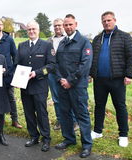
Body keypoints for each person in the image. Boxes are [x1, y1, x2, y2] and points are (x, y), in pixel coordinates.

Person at [90, 11, 132, 147]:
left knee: (120, 107)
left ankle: (123, 134)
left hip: (117, 80)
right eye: (104, 21)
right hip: (99, 79)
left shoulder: (124, 37)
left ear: (114, 20)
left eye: (109, 20)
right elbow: (92, 58)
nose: (106, 23)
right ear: (101, 22)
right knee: (99, 106)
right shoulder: (97, 38)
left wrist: (129, 75)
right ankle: (98, 131)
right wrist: (90, 73)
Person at [54, 14, 92, 158]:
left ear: (76, 24)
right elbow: (56, 63)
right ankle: (69, 139)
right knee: (64, 114)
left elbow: (85, 65)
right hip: (62, 86)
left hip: (77, 87)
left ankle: (87, 145)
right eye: (66, 25)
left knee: (81, 115)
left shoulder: (84, 42)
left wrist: (70, 80)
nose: (68, 27)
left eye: (70, 24)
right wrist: (60, 79)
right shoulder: (63, 42)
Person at [16, 20, 55, 152]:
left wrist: (36, 73)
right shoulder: (21, 45)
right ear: (26, 31)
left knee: (41, 113)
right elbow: (17, 64)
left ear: (38, 30)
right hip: (24, 86)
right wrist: (15, 79)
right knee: (28, 113)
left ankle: (46, 138)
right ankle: (34, 136)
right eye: (29, 29)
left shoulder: (47, 45)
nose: (31, 31)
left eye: (34, 29)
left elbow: (51, 66)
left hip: (40, 85)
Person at [47, 18, 79, 131]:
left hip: (65, 73)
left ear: (64, 26)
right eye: (55, 26)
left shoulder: (68, 39)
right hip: (52, 73)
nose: (57, 28)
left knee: (69, 98)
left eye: (59, 25)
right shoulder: (49, 40)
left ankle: (74, 121)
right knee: (56, 99)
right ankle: (60, 120)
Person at [0, 19, 22, 129]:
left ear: (2, 26)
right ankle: (1, 120)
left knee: (11, 97)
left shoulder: (9, 39)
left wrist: (12, 71)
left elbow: (15, 56)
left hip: (8, 74)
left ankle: (15, 120)